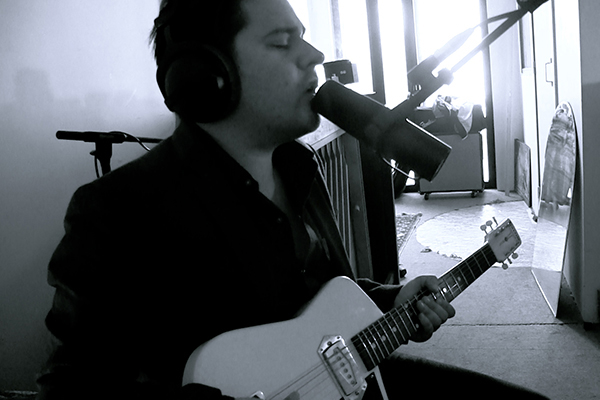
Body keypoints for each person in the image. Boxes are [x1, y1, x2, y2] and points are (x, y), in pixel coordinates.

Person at [36, 1, 548, 399]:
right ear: (205, 75)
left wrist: (390, 299)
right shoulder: (119, 211)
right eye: (283, 42)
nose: (315, 56)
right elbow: (70, 390)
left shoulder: (299, 167)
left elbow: (312, 296)